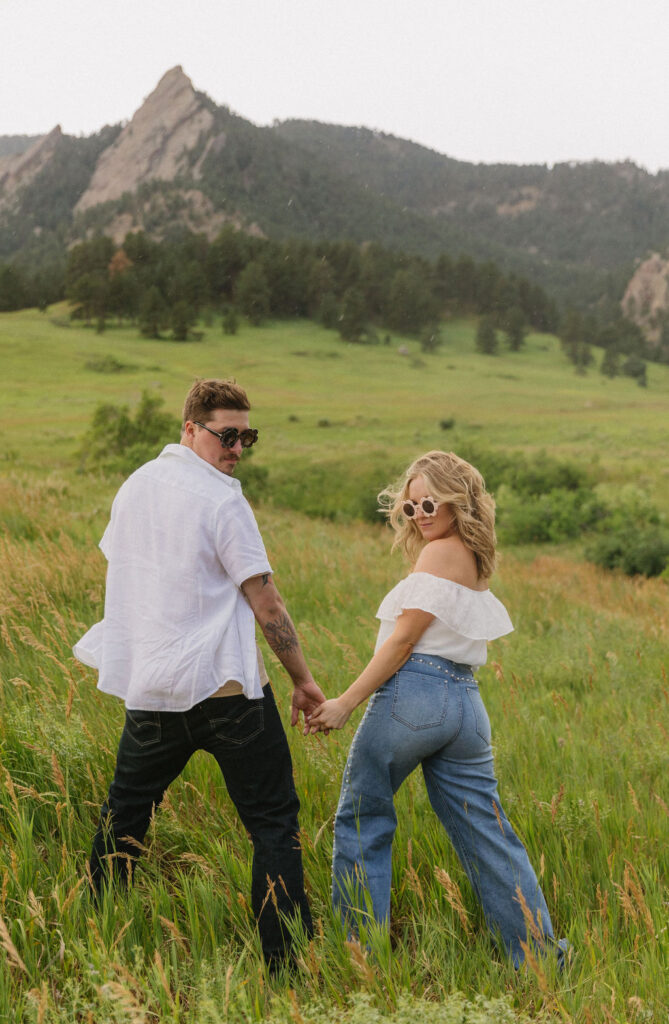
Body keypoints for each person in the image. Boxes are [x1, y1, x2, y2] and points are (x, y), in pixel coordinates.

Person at [74, 378, 325, 970]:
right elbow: (267, 603)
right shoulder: (223, 500)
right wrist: (303, 681)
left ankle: (95, 931)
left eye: (247, 437)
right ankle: (286, 965)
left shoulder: (135, 485)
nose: (236, 449)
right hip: (227, 691)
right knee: (272, 822)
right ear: (190, 429)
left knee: (126, 811)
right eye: (226, 435)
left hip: (155, 688)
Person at [309, 450, 566, 966]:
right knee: (488, 832)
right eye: (410, 507)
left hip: (414, 696)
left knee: (362, 819)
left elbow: (403, 643)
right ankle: (539, 961)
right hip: (466, 705)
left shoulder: (438, 555)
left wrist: (344, 702)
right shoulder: (472, 557)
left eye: (430, 502)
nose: (420, 514)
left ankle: (361, 960)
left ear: (457, 500)